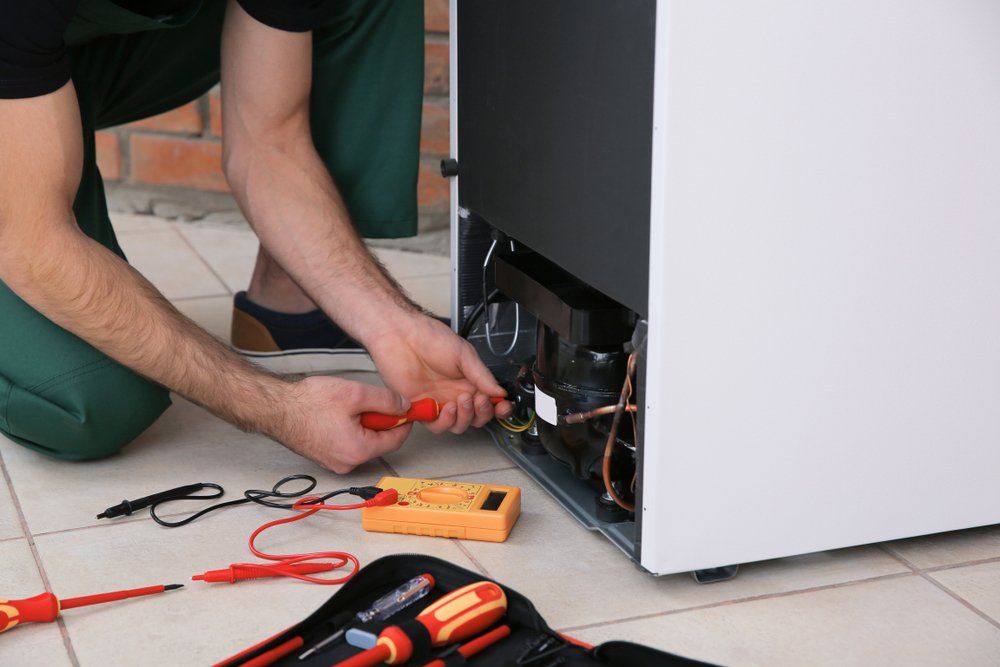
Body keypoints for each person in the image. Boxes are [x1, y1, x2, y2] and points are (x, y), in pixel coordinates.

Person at [0, 0, 511, 472]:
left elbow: (270, 143)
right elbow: (36, 244)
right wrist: (277, 408)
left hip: (53, 60)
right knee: (90, 401)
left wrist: (391, 325)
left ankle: (290, 306)